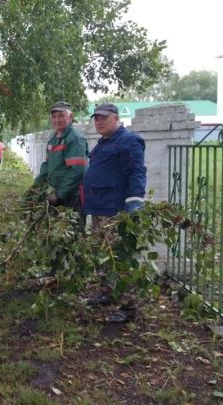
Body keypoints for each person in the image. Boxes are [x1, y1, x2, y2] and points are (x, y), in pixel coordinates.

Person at [82, 103, 147, 323]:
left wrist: (134, 204)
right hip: (100, 209)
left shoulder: (129, 141)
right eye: (96, 119)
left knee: (119, 260)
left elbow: (137, 173)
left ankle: (129, 308)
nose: (98, 122)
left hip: (115, 212)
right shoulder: (104, 143)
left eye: (103, 118)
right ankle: (107, 293)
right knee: (103, 256)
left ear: (116, 118)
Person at [29, 101, 88, 214]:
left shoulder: (75, 138)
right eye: (54, 116)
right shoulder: (54, 138)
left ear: (70, 117)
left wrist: (59, 194)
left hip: (71, 198)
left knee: (72, 229)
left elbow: (78, 171)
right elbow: (47, 165)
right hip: (55, 196)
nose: (57, 120)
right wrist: (35, 186)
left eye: (61, 116)